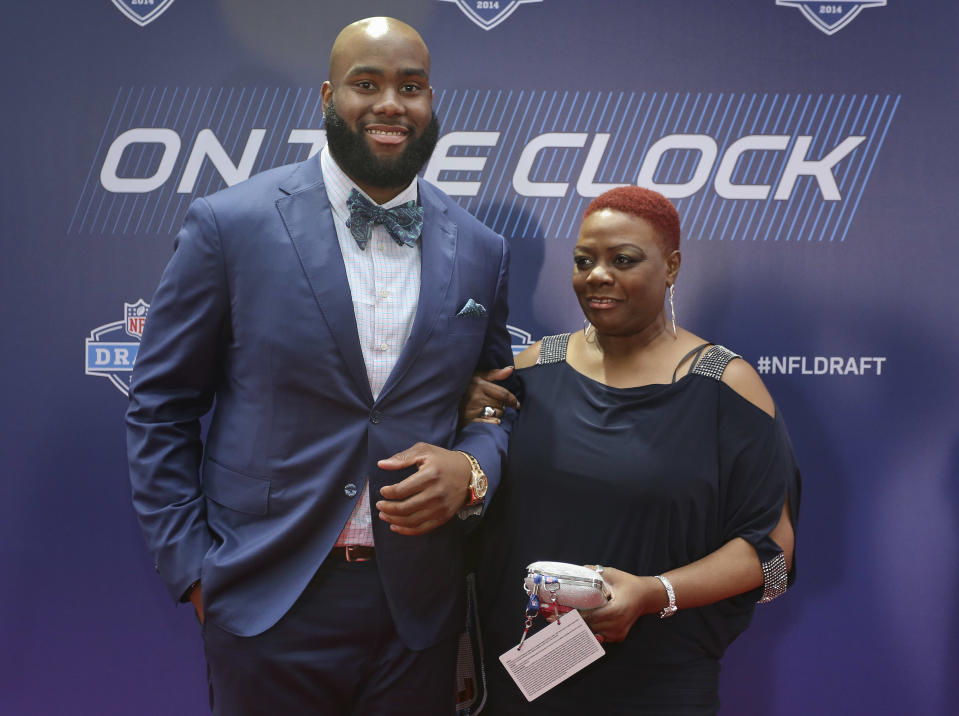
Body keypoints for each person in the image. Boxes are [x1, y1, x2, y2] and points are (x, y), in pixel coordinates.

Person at [126, 17, 512, 715]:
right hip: (267, 596)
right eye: (367, 84)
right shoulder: (230, 225)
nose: (391, 103)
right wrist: (192, 569)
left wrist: (473, 467)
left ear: (432, 103)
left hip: (416, 610)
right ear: (329, 97)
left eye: (412, 86)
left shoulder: (482, 248)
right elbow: (161, 404)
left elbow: (491, 402)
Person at [464, 186, 800, 715]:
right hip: (529, 674)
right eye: (584, 261)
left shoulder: (724, 387)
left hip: (658, 682)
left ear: (671, 267)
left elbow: (773, 557)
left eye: (623, 260)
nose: (598, 274)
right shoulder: (530, 371)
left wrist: (653, 592)